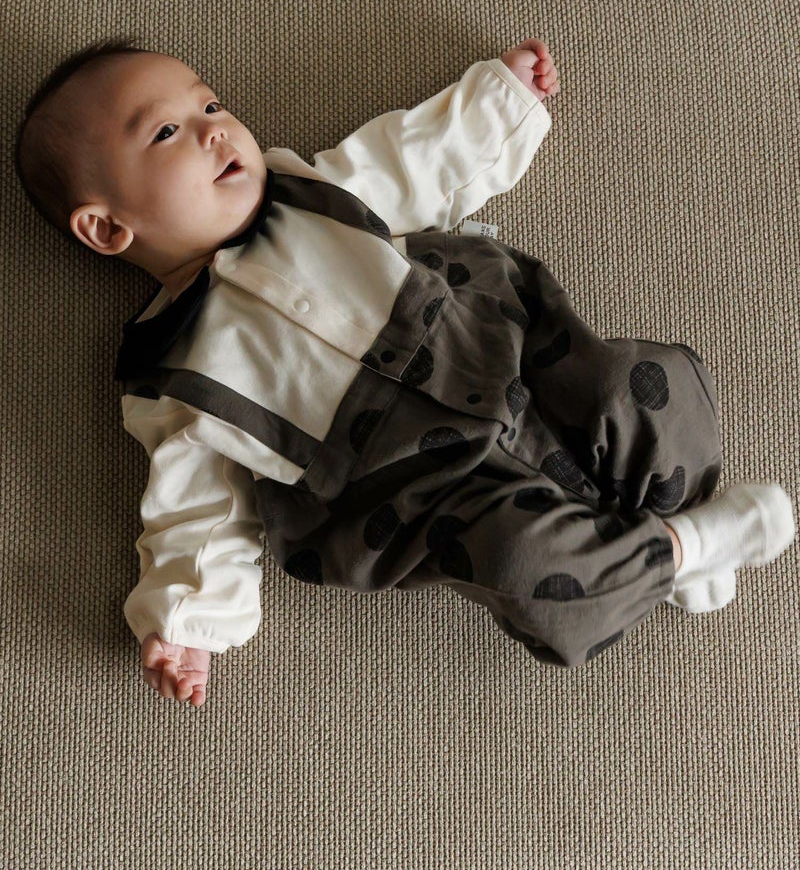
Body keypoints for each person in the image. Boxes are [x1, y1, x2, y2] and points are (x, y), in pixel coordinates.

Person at [14, 36, 795, 709]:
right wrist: (186, 624)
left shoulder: (313, 193)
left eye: (211, 104)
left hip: (507, 355)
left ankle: (676, 513)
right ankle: (678, 551)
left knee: (646, 384)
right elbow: (200, 508)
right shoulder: (173, 377)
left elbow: (412, 159)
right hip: (430, 488)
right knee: (527, 569)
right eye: (167, 131)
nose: (215, 129)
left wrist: (500, 100)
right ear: (106, 226)